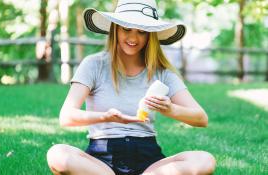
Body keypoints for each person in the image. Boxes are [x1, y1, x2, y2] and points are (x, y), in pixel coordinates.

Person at [47, 0, 216, 174]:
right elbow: (66, 117)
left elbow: (201, 118)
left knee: (204, 160)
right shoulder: (93, 65)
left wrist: (170, 109)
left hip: (148, 161)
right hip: (101, 162)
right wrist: (106, 117)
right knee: (58, 154)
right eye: (126, 29)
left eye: (142, 32)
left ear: (150, 35)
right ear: (115, 29)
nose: (133, 38)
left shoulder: (162, 73)